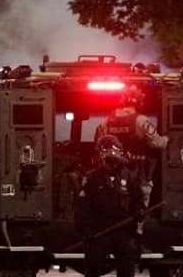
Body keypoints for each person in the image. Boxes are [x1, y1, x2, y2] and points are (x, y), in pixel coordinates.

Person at [75, 135, 145, 277]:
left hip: (123, 230)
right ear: (100, 154)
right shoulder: (92, 177)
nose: (111, 154)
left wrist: (139, 213)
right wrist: (86, 230)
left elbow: (138, 200)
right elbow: (82, 207)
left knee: (126, 269)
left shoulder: (129, 176)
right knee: (93, 269)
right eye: (106, 151)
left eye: (114, 150)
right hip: (99, 231)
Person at [94, 85, 168, 207]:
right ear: (136, 100)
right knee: (140, 203)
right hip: (138, 173)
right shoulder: (141, 120)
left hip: (113, 174)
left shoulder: (106, 121)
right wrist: (167, 138)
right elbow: (158, 143)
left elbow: (98, 144)